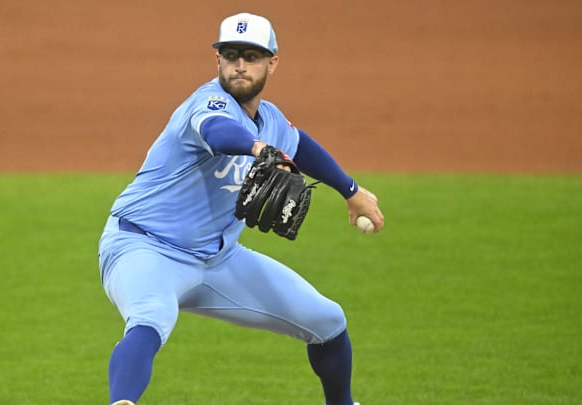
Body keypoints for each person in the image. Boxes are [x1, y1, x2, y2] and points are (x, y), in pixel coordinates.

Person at [97, 12, 384, 405]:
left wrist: (350, 191)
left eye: (251, 56)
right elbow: (218, 131)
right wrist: (257, 148)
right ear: (217, 60)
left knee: (328, 320)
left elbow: (301, 146)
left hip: (217, 260)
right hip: (144, 248)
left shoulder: (272, 121)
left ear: (272, 62)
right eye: (231, 55)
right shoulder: (208, 103)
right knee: (151, 318)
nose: (240, 65)